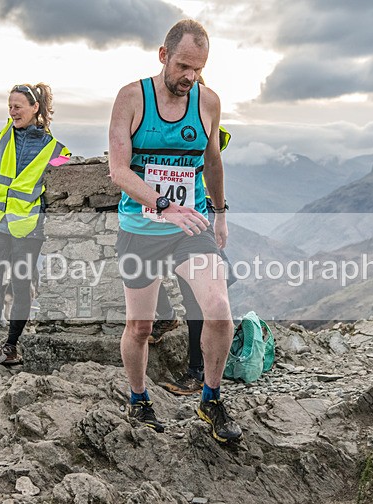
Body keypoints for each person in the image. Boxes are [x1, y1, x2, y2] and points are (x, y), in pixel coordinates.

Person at [108, 19, 242, 442]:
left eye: (198, 69)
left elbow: (213, 161)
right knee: (140, 328)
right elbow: (118, 171)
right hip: (142, 227)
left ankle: (211, 398)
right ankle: (138, 398)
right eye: (183, 66)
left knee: (218, 309)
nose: (190, 76)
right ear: (163, 55)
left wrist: (219, 213)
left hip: (191, 226)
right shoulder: (131, 98)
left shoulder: (208, 102)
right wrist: (164, 206)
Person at [0, 83, 69, 372]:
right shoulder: (0, 139)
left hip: (28, 229)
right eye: (10, 106)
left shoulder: (56, 150)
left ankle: (11, 346)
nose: (12, 111)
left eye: (18, 106)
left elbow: (63, 187)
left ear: (35, 108)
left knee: (22, 286)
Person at [155, 124, 235, 396]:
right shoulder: (172, 122)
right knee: (141, 268)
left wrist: (220, 216)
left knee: (194, 297)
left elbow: (210, 165)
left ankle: (197, 373)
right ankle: (168, 319)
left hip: (197, 215)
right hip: (177, 214)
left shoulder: (201, 124)